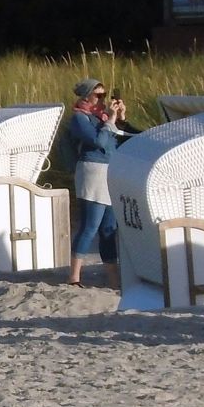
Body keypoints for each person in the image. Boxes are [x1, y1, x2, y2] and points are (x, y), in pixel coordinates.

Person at [65, 79, 128, 288]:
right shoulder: (80, 118)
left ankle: (113, 278)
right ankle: (74, 277)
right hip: (92, 172)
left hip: (109, 171)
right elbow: (98, 142)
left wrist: (120, 118)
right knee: (90, 225)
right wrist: (110, 120)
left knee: (109, 228)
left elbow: (120, 139)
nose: (102, 99)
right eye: (98, 95)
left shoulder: (100, 118)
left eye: (104, 95)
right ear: (86, 96)